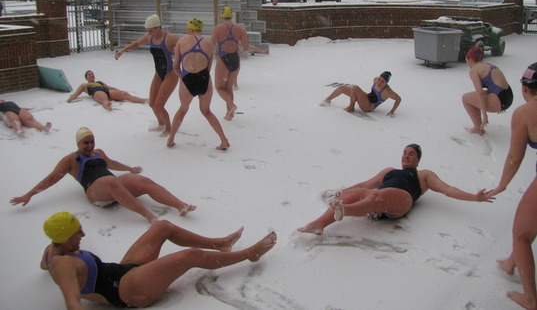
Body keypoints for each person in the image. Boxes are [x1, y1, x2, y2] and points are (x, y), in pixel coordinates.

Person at [40, 211, 277, 309]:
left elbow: (44, 263)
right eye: (77, 233)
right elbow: (73, 304)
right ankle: (249, 255)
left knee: (162, 226)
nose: (83, 235)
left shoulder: (53, 248)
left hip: (123, 272)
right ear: (64, 238)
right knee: (190, 256)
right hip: (127, 293)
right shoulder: (63, 265)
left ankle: (220, 244)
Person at [298, 144, 493, 236]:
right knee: (356, 194)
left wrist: (474, 198)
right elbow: (366, 184)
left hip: (401, 201)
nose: (406, 157)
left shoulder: (424, 175)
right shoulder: (389, 171)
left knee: (375, 195)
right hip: (376, 199)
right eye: (404, 153)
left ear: (418, 160)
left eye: (411, 154)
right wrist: (342, 192)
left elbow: (446, 189)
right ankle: (318, 224)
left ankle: (346, 211)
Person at [10, 127, 195, 223]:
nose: (89, 145)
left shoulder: (98, 152)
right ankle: (148, 216)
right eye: (85, 143)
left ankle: (180, 205)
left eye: (91, 141)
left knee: (143, 181)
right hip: (96, 193)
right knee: (109, 180)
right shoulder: (71, 160)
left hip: (113, 187)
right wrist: (29, 194)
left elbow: (112, 164)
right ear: (78, 143)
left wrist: (130, 170)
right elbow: (51, 178)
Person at [486, 63, 537, 309]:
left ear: (526, 89)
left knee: (521, 235)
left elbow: (515, 157)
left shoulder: (526, 113)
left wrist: (502, 185)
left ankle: (530, 299)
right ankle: (511, 262)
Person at [167, 18, 230, 150]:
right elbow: (208, 68)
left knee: (182, 110)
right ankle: (224, 140)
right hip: (204, 79)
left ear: (190, 29)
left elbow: (175, 66)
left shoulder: (182, 41)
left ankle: (171, 139)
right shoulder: (209, 44)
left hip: (187, 78)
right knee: (206, 111)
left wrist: (183, 78)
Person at [114, 15, 180, 137]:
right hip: (158, 73)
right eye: (147, 30)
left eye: (150, 30)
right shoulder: (150, 36)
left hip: (171, 74)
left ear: (158, 27)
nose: (148, 32)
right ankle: (161, 123)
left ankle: (169, 129)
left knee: (159, 105)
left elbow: (184, 45)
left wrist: (179, 56)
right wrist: (123, 50)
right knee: (152, 104)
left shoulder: (169, 38)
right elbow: (137, 43)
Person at [211, 6, 265, 121]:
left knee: (220, 88)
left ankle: (231, 106)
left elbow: (211, 44)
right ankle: (229, 115)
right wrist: (238, 50)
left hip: (223, 58)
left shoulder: (217, 29)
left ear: (221, 16)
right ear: (232, 16)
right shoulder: (240, 29)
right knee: (229, 88)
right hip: (235, 58)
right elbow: (246, 47)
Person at [462, 46, 513, 135]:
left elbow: (480, 93)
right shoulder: (488, 65)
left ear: (469, 59)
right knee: (472, 96)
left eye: (466, 60)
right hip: (507, 96)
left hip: (499, 99)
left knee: (465, 98)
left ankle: (478, 128)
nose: (467, 63)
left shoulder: (474, 70)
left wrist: (484, 114)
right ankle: (497, 104)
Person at [320, 71, 401, 117]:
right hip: (366, 97)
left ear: (386, 83)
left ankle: (351, 107)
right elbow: (376, 81)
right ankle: (327, 100)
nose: (379, 82)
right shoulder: (376, 80)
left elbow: (398, 99)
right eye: (380, 79)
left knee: (355, 88)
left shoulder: (388, 91)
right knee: (342, 88)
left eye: (382, 81)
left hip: (369, 106)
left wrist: (392, 111)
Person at [67, 70, 147, 111]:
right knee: (104, 98)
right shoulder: (84, 85)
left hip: (106, 91)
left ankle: (145, 100)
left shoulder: (100, 82)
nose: (92, 75)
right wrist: (69, 99)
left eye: (92, 74)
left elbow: (110, 88)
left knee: (126, 95)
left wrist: (120, 91)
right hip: (96, 91)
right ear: (86, 78)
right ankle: (107, 105)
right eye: (89, 74)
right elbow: (76, 93)